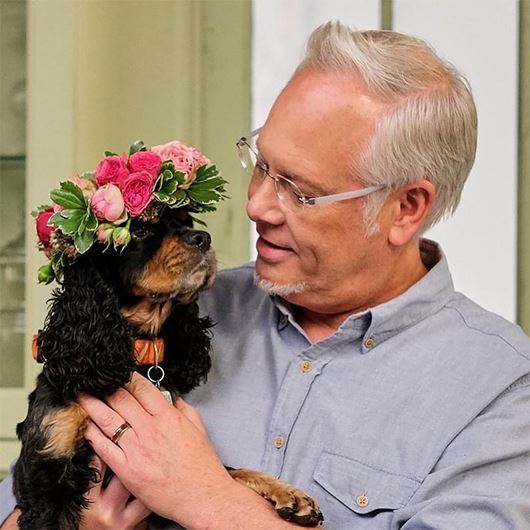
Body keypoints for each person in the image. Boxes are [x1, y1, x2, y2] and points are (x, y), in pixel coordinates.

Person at [2, 20, 530, 529]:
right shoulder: (171, 309)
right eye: (261, 166)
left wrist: (211, 500)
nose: (257, 206)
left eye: (299, 191)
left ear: (406, 208)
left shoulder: (499, 387)